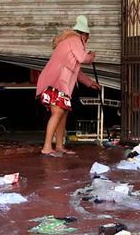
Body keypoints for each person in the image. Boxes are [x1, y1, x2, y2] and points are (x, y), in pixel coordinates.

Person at [36, 15, 100, 157]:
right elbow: (84, 58)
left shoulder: (70, 42)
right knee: (57, 113)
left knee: (63, 114)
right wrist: (92, 55)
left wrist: (90, 83)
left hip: (60, 84)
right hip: (55, 82)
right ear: (85, 35)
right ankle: (47, 146)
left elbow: (77, 72)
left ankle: (59, 145)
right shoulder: (75, 40)